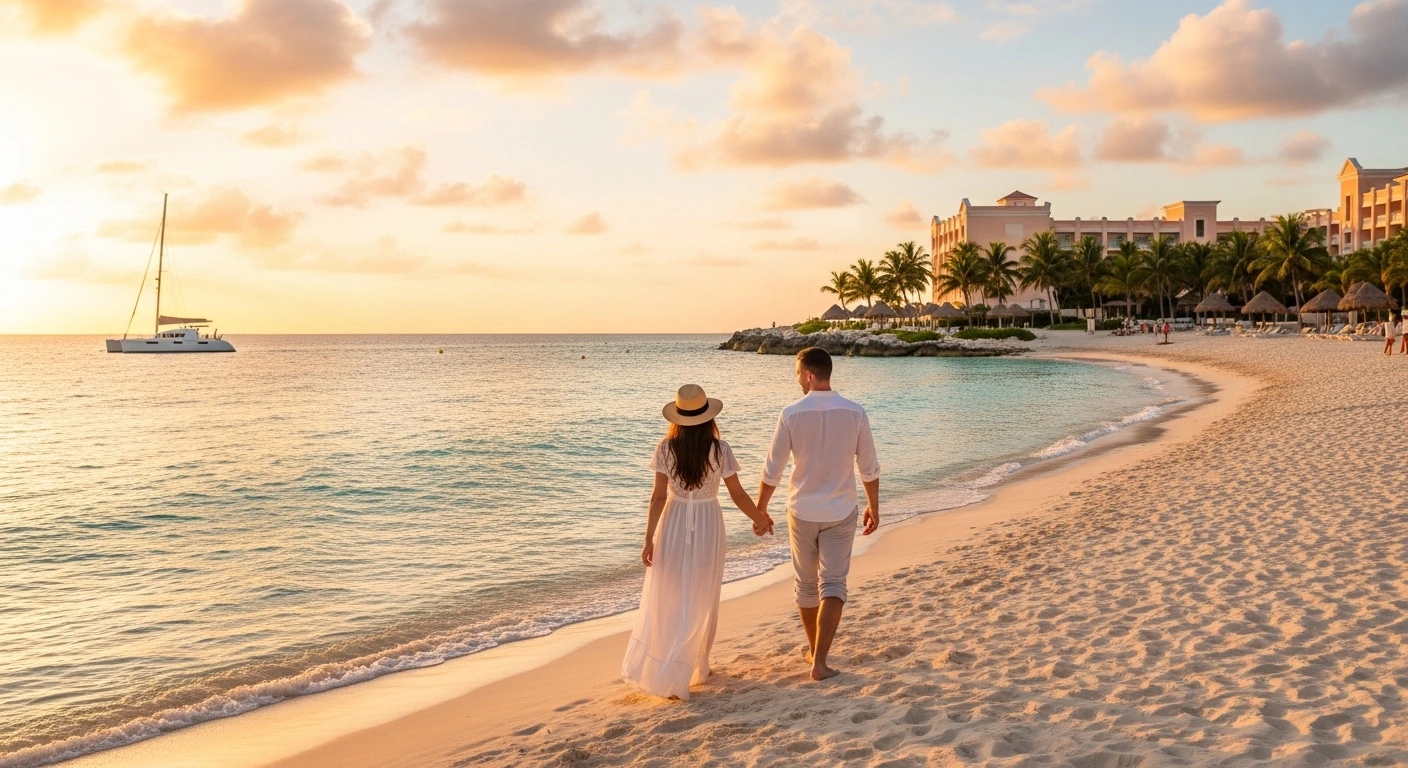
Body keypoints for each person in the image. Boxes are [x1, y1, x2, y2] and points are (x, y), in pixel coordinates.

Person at [622, 384, 773, 700]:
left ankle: (673, 665)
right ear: (707, 418)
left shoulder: (666, 448)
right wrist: (759, 518)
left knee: (672, 592)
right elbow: (737, 494)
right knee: (702, 593)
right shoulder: (720, 450)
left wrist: (648, 539)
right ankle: (694, 663)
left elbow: (658, 497)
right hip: (707, 523)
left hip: (674, 521)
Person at [757, 347, 880, 682]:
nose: (798, 380)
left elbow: (773, 470)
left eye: (798, 374)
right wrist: (874, 506)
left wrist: (760, 510)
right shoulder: (855, 412)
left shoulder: (791, 413)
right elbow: (868, 468)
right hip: (841, 510)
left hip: (802, 511)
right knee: (834, 585)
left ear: (809, 374)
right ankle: (819, 659)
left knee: (806, 585)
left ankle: (815, 652)